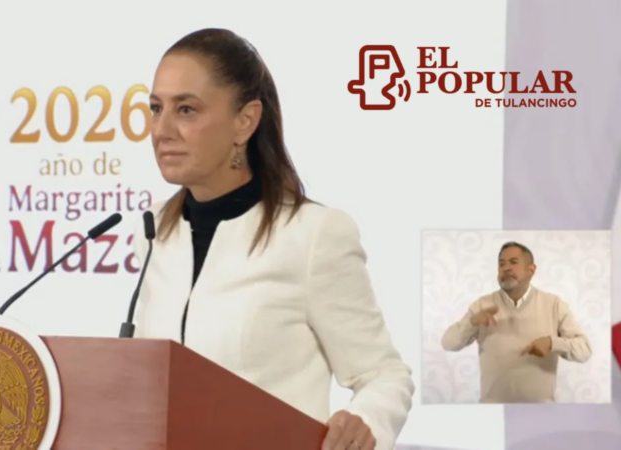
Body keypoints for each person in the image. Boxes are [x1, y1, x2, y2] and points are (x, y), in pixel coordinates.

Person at [129, 28, 413, 450]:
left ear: (245, 121)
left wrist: (365, 421)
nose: (162, 130)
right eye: (156, 108)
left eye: (186, 109)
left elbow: (384, 375)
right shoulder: (153, 230)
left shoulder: (313, 235)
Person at [441, 241, 592, 403]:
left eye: (513, 262)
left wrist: (552, 343)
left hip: (541, 411)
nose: (506, 268)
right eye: (501, 264)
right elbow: (448, 343)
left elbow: (584, 350)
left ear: (531, 270)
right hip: (493, 410)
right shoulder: (482, 306)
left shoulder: (554, 305)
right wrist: (472, 323)